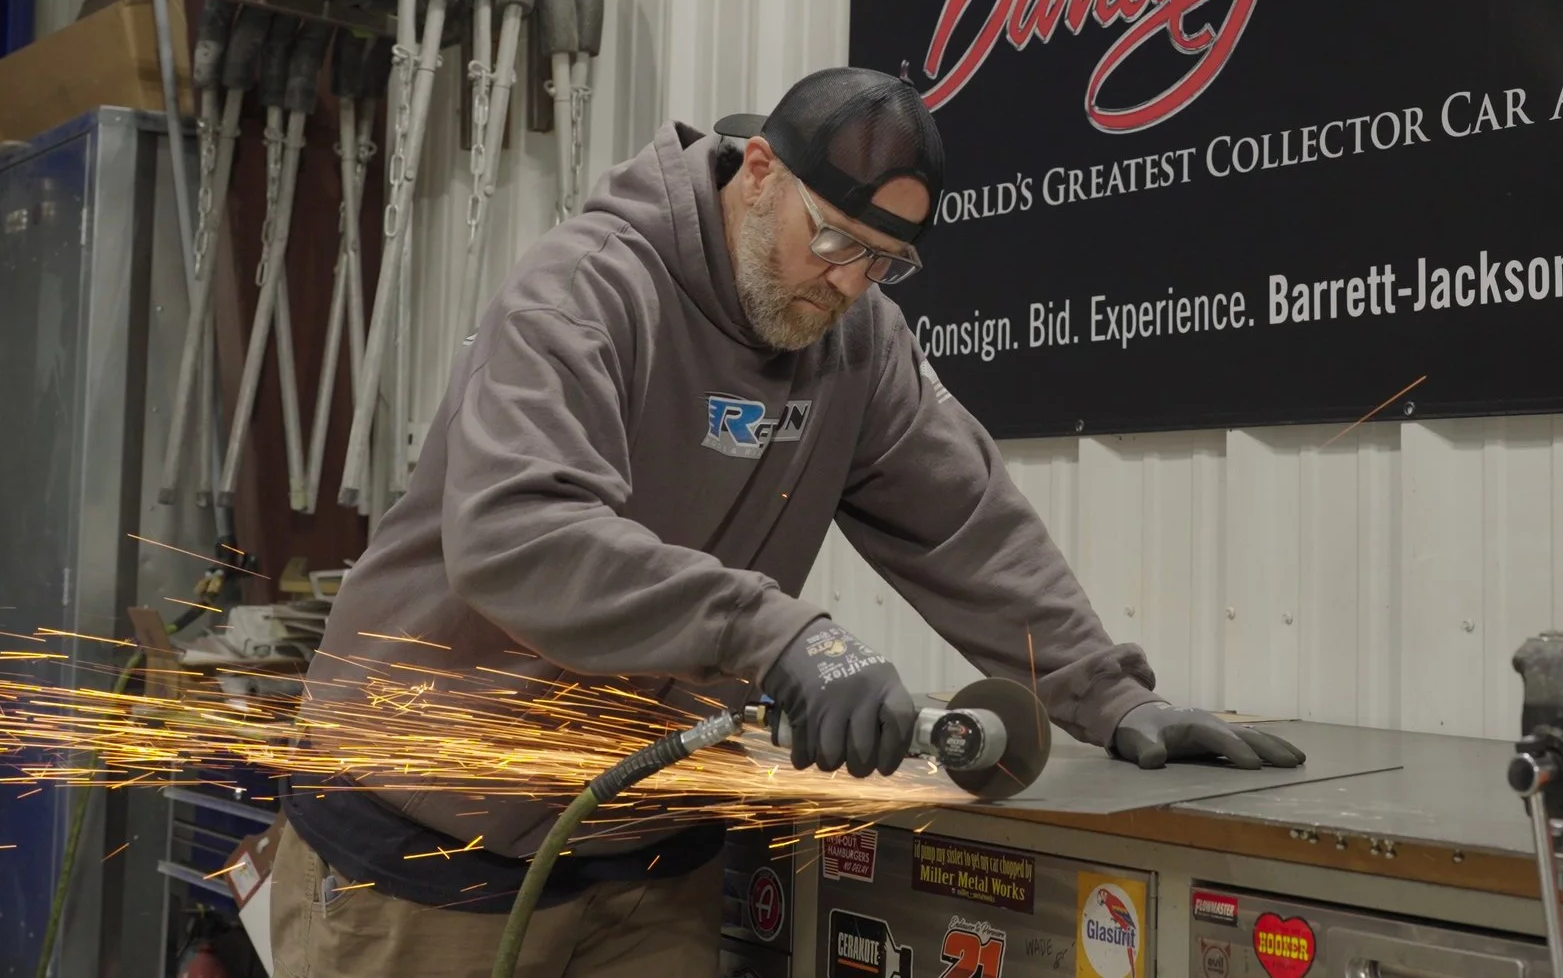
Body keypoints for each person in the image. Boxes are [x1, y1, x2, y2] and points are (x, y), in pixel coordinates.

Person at [270, 68, 1302, 977]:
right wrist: (782, 634)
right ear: (757, 167)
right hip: (426, 856)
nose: (849, 283)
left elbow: (964, 524)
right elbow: (520, 532)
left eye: (885, 261)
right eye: (835, 239)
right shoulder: (585, 290)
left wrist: (1106, 693)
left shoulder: (857, 344)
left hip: (648, 864)